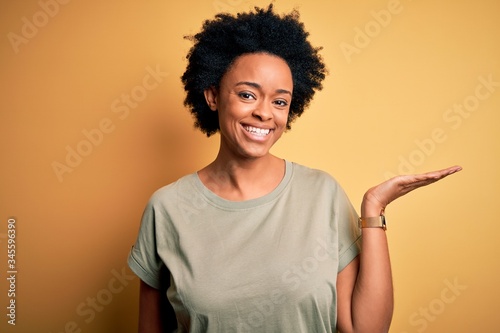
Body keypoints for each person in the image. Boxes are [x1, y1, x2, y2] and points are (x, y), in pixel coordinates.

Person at [127, 5, 461, 333]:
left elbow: (365, 329)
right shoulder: (167, 208)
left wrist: (374, 210)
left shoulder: (322, 194)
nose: (264, 113)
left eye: (280, 101)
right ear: (213, 95)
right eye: (247, 94)